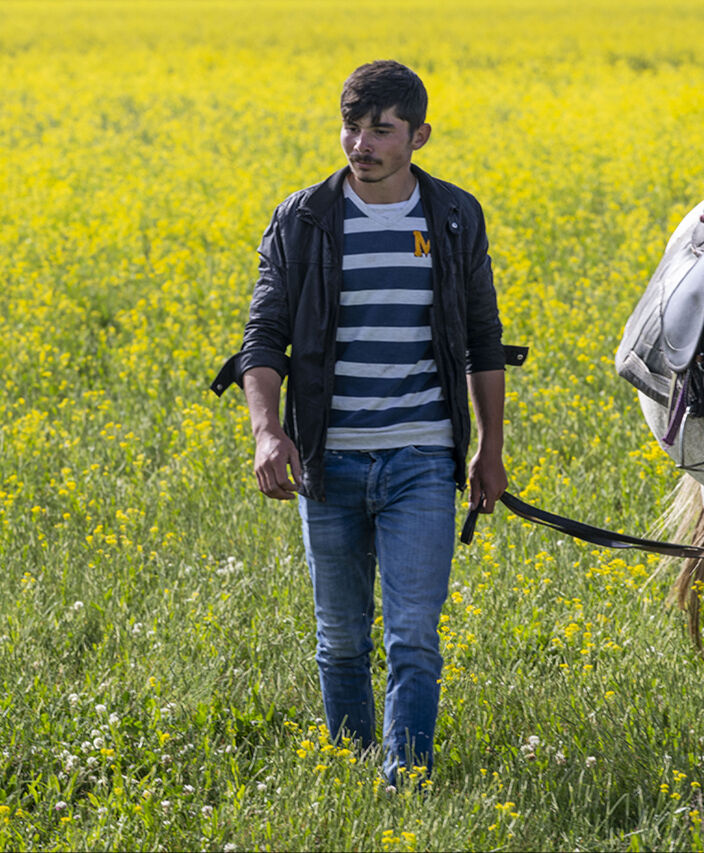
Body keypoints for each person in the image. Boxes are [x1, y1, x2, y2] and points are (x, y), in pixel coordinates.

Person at [211, 60, 509, 786]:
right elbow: (263, 333)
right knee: (341, 640)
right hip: (330, 461)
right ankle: (351, 770)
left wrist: (491, 448)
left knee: (413, 635)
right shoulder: (304, 217)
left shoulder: (453, 216)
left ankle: (404, 781)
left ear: (419, 135)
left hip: (421, 461)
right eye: (352, 127)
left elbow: (482, 336)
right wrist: (265, 430)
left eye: (381, 130)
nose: (361, 144)